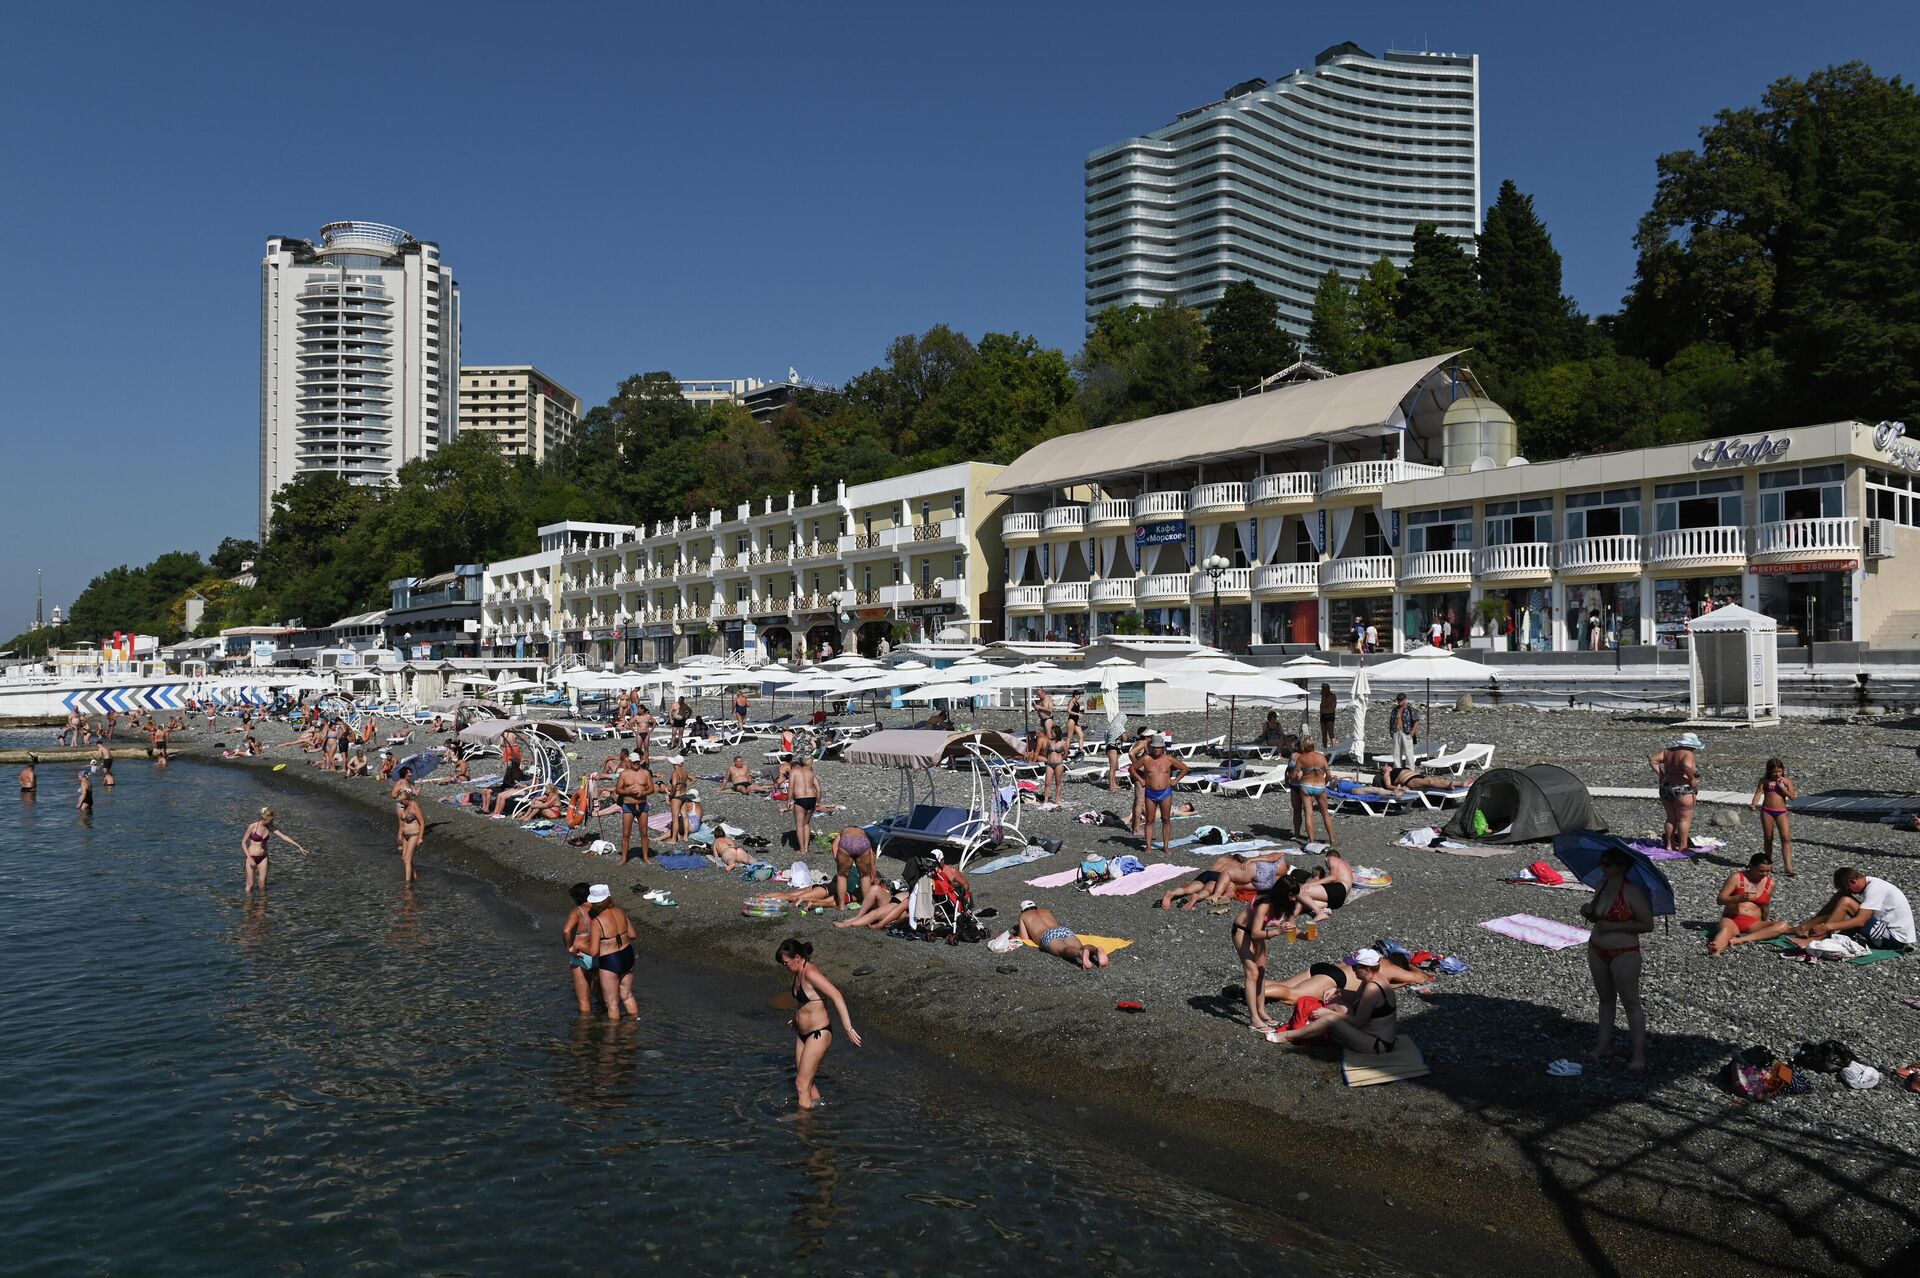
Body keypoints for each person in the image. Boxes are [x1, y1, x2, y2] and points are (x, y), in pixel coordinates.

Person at [1578, 845, 1653, 1071]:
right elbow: (1597, 915)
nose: (1604, 867)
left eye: (1609, 863)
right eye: (1603, 862)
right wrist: (1588, 910)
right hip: (1597, 947)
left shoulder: (1632, 893)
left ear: (1622, 867)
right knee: (1605, 998)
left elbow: (1647, 924)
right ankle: (1603, 1045)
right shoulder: (1602, 885)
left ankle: (1638, 1054)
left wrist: (1612, 925)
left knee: (1631, 1002)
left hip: (1624, 952)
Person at [1737, 866, 1916, 952]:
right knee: (1842, 898)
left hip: (1894, 940)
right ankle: (1806, 928)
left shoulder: (1875, 889)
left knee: (1846, 901)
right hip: (1883, 930)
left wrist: (1828, 927)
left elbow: (1861, 920)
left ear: (1853, 882)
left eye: (1847, 887)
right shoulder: (1871, 883)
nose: (1848, 891)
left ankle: (1817, 939)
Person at [776, 938, 861, 1110]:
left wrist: (848, 1028)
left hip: (818, 1033)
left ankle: (803, 1127)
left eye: (785, 963)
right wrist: (797, 1018)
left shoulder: (810, 973)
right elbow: (806, 1003)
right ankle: (818, 1108)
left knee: (801, 1083)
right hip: (802, 1034)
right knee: (806, 1079)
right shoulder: (798, 973)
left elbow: (837, 996)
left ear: (797, 958)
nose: (784, 967)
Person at [1265, 949, 1402, 1053]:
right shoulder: (1373, 978)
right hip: (1368, 1032)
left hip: (1376, 1044)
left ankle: (1288, 1036)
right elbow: (1357, 998)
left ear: (1366, 968)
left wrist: (1328, 1014)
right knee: (1334, 1000)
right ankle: (1312, 1028)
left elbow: (1359, 1021)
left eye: (1355, 967)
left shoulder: (1373, 988)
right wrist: (1337, 990)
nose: (1353, 970)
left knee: (1330, 1019)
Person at [1233, 878, 1303, 1031]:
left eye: (1294, 895)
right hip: (1243, 931)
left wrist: (1305, 935)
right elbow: (1255, 933)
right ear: (1281, 894)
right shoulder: (1264, 903)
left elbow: (1293, 929)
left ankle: (1261, 1011)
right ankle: (1254, 1020)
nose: (1293, 899)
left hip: (1259, 934)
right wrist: (1278, 931)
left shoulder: (1288, 904)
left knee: (1262, 972)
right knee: (1252, 973)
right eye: (1291, 895)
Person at [573, 885, 639, 1022]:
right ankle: (634, 1025)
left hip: (610, 960)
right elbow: (633, 935)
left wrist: (578, 945)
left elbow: (594, 952)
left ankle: (612, 1038)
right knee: (627, 996)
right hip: (627, 955)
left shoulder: (597, 921)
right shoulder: (620, 912)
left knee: (612, 1004)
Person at [1705, 854, 1777, 956]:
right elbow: (1720, 900)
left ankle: (1741, 940)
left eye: (1768, 871)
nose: (1764, 874)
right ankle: (1716, 949)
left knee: (1782, 925)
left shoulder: (1770, 884)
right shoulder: (1737, 878)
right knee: (1725, 930)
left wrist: (1765, 922)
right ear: (1751, 866)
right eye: (1761, 871)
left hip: (1753, 923)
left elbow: (1765, 905)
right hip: (1732, 919)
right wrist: (1740, 898)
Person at [1131, 735, 1190, 855]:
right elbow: (1132, 769)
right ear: (1151, 747)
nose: (1156, 750)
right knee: (1149, 820)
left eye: (1159, 748)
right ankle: (1148, 847)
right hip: (1150, 793)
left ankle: (1166, 846)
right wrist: (1141, 780)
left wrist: (1175, 780)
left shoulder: (1169, 759)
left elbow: (1184, 769)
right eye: (1154, 748)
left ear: (1163, 748)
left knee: (1166, 819)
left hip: (1165, 792)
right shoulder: (1146, 759)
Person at [1017, 900, 1109, 970]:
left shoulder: (1024, 916)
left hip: (1047, 935)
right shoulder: (1046, 910)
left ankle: (1080, 954)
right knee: (1081, 946)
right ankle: (1096, 950)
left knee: (1064, 950)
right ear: (1035, 906)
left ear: (1023, 910)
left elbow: (1024, 937)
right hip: (1062, 929)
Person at [1650, 733, 1702, 852]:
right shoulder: (1688, 753)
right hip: (1683, 787)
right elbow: (1687, 766)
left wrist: (1661, 775)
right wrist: (1692, 779)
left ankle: (1670, 845)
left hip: (1666, 786)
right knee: (1684, 819)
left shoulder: (1668, 751)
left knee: (1670, 818)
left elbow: (1653, 760)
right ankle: (1683, 847)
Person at [241, 807, 309, 893]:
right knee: (250, 884)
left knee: (262, 884)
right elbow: (243, 842)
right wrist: (249, 857)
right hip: (251, 857)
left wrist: (299, 847)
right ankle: (248, 904)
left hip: (263, 858)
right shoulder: (253, 826)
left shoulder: (269, 827)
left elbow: (284, 837)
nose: (272, 822)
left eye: (272, 820)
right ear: (264, 818)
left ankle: (262, 903)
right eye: (270, 820)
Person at [1751, 758, 1798, 876]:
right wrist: (1753, 804)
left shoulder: (1786, 781)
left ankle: (1788, 866)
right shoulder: (1764, 781)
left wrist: (1783, 789)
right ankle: (1768, 864)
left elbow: (1793, 797)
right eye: (1774, 772)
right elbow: (1758, 793)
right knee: (1768, 838)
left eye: (1779, 771)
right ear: (1769, 771)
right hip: (1767, 811)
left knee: (1786, 838)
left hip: (1781, 811)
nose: (1777, 774)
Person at [1288, 736, 1335, 846]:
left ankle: (1311, 841)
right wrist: (1324, 781)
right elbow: (1328, 774)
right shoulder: (1321, 757)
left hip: (1306, 786)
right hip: (1319, 785)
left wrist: (1290, 775)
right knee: (1325, 813)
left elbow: (1294, 775)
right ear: (1313, 745)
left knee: (1309, 813)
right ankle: (1332, 839)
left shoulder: (1302, 759)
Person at [614, 751, 656, 866]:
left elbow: (651, 789)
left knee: (644, 832)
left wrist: (643, 792)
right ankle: (623, 858)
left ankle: (646, 857)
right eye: (635, 763)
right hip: (628, 805)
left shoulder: (645, 773)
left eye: (638, 762)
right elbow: (618, 789)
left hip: (642, 805)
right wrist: (628, 791)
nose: (637, 764)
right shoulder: (624, 774)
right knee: (626, 833)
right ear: (630, 762)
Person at [562, 883, 597, 1015]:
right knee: (600, 994)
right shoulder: (598, 909)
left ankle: (585, 1030)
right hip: (596, 953)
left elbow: (566, 931)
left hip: (581, 955)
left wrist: (569, 948)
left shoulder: (577, 911)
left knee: (584, 1001)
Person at [830, 826, 877, 909]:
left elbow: (834, 847)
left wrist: (838, 862)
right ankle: (866, 907)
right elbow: (872, 858)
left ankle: (841, 906)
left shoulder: (844, 830)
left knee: (842, 876)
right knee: (865, 876)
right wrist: (873, 874)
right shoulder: (863, 833)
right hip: (862, 842)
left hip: (847, 841)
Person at [788, 751, 820, 853]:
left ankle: (801, 850)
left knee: (799, 825)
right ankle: (806, 847)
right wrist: (818, 801)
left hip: (801, 799)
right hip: (812, 798)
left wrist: (789, 800)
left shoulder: (793, 772)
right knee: (806, 823)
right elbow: (819, 789)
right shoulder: (810, 772)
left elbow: (791, 787)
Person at [396, 791, 426, 883]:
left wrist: (420, 837)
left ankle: (407, 884)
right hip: (406, 835)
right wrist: (400, 833)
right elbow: (402, 823)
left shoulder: (414, 806)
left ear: (406, 799)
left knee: (407, 860)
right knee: (404, 858)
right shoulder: (404, 807)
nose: (400, 803)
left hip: (414, 835)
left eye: (401, 801)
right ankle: (415, 877)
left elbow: (422, 822)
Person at [664, 755, 695, 843]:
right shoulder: (684, 772)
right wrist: (685, 786)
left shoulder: (675, 772)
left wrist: (671, 795)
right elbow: (693, 779)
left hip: (677, 796)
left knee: (675, 818)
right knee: (685, 816)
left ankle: (674, 839)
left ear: (675, 764)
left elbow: (674, 784)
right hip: (684, 795)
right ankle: (685, 836)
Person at [1389, 692, 1419, 770]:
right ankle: (1397, 769)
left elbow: (1416, 721)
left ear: (1405, 699)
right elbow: (1391, 722)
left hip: (1406, 733)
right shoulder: (1394, 710)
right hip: (1396, 732)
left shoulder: (1410, 709)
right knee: (1396, 753)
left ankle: (1410, 769)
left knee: (1409, 753)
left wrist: (1412, 733)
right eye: (1398, 700)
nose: (1400, 701)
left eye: (1401, 699)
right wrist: (1392, 733)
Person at [1318, 683, 1336, 747]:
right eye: (1322, 688)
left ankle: (1334, 746)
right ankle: (1325, 747)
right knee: (1324, 733)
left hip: (1329, 715)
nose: (1322, 690)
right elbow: (1322, 706)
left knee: (1330, 732)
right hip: (1323, 715)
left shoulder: (1332, 696)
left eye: (1324, 688)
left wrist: (1324, 697)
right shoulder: (1324, 696)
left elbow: (1326, 705)